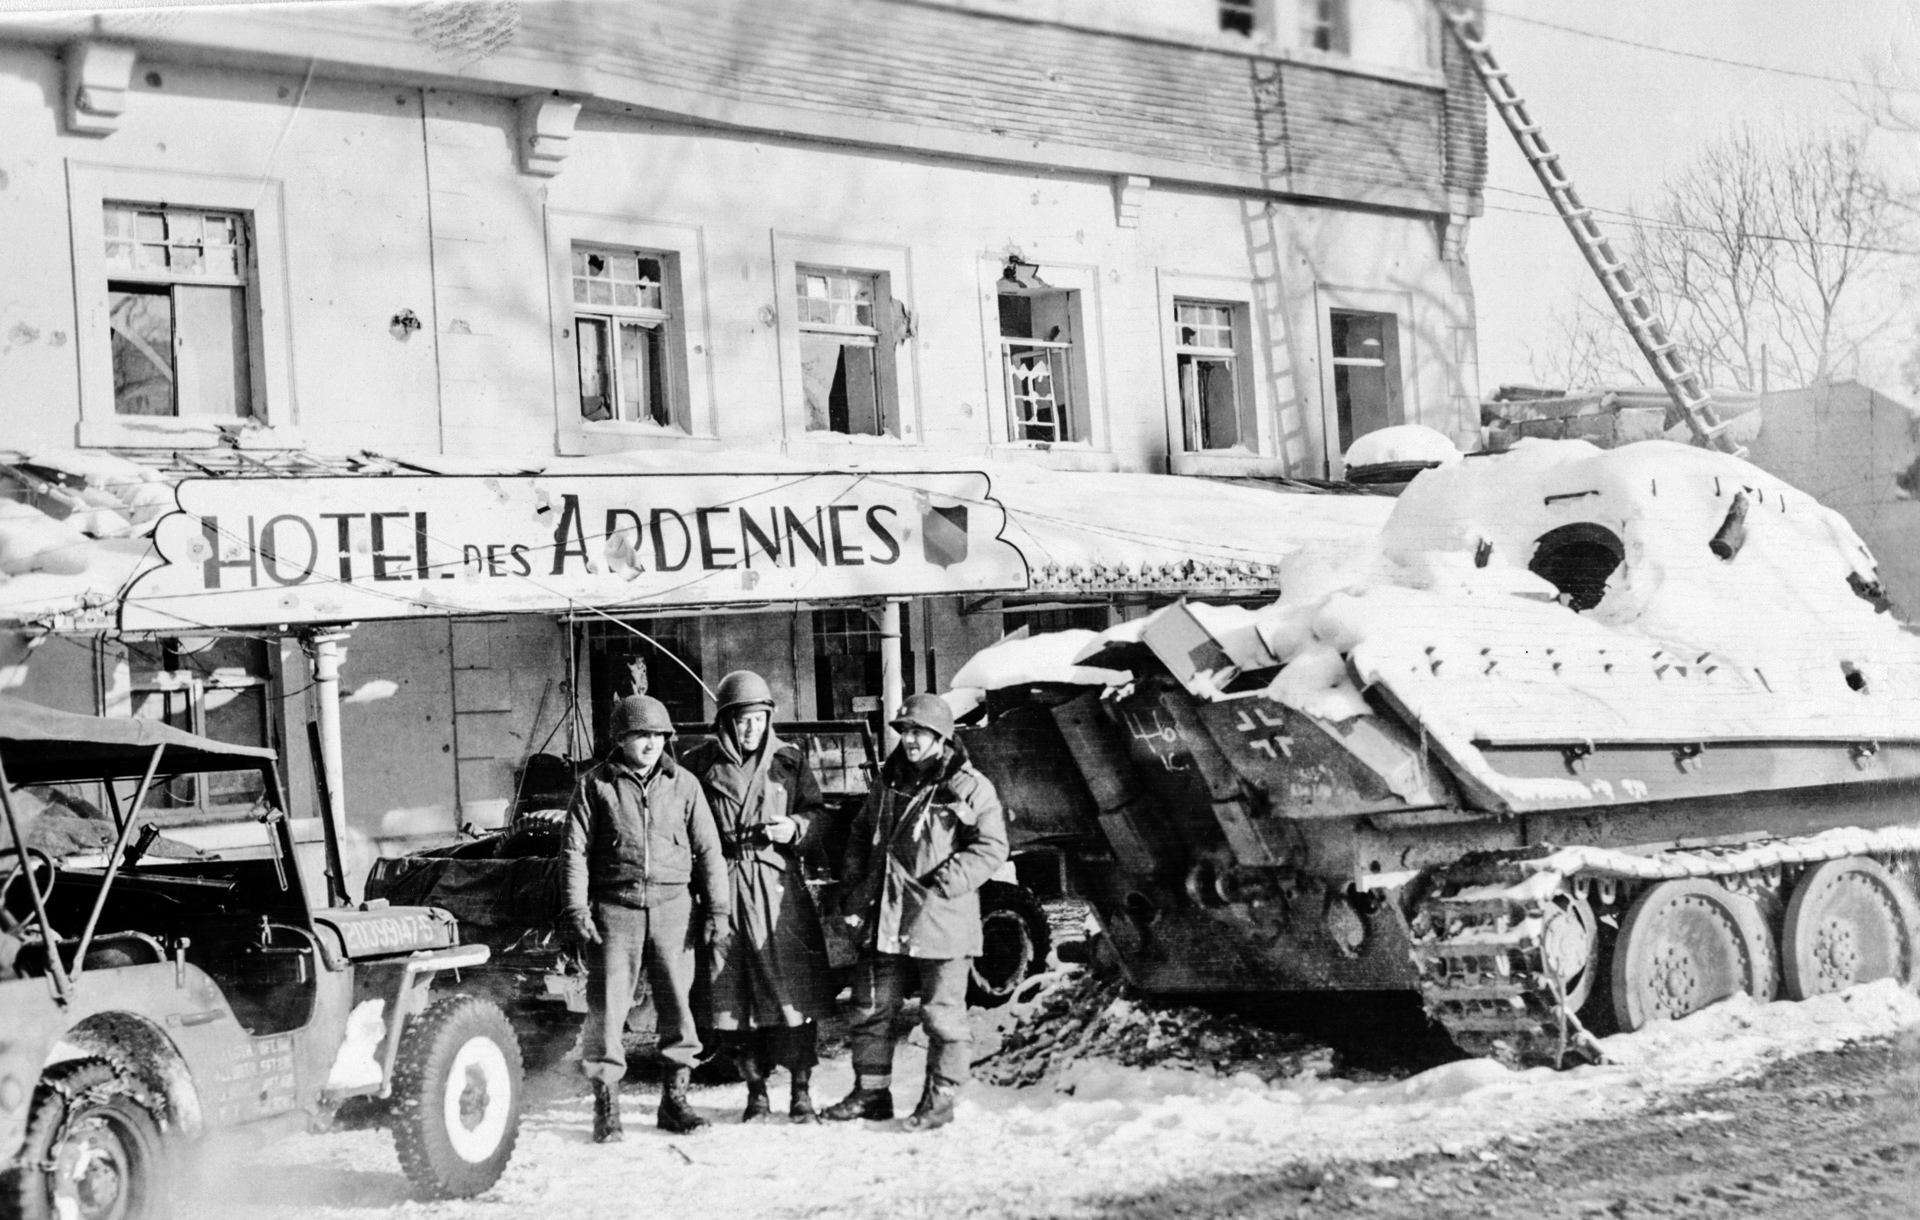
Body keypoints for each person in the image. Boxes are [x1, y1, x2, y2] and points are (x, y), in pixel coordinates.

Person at [823, 692, 1008, 1131]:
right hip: (883, 916)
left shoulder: (968, 786)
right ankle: (871, 1093)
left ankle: (939, 1102)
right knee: (870, 1009)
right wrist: (854, 889)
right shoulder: (887, 785)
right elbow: (859, 835)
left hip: (940, 918)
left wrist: (946, 882)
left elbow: (992, 846)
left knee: (942, 1016)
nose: (909, 740)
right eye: (905, 732)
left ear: (941, 738)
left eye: (919, 732)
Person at [561, 694, 730, 1142]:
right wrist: (577, 908)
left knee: (678, 1006)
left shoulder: (685, 784)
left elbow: (709, 851)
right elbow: (574, 852)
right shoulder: (595, 785)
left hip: (675, 910)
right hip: (615, 911)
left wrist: (717, 909)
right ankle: (607, 1108)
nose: (651, 743)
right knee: (608, 1011)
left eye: (658, 735)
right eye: (641, 735)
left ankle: (674, 1103)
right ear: (620, 739)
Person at [681, 670, 835, 1123]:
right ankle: (757, 1091)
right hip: (722, 886)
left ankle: (801, 1093)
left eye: (759, 719)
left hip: (777, 889)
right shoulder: (699, 764)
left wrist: (796, 828)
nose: (751, 729)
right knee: (729, 997)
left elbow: (818, 815)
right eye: (742, 720)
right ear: (726, 721)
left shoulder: (789, 759)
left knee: (795, 995)